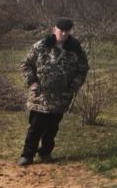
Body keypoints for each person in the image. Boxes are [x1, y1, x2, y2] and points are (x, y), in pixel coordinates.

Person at [18, 17, 88, 166]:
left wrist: (72, 88)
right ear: (54, 29)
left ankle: (45, 153)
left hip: (61, 96)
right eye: (60, 30)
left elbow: (82, 71)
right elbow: (26, 64)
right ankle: (27, 155)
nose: (63, 33)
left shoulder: (76, 50)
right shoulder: (41, 46)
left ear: (70, 31)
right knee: (35, 127)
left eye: (66, 31)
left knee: (52, 128)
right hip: (40, 95)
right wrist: (32, 82)